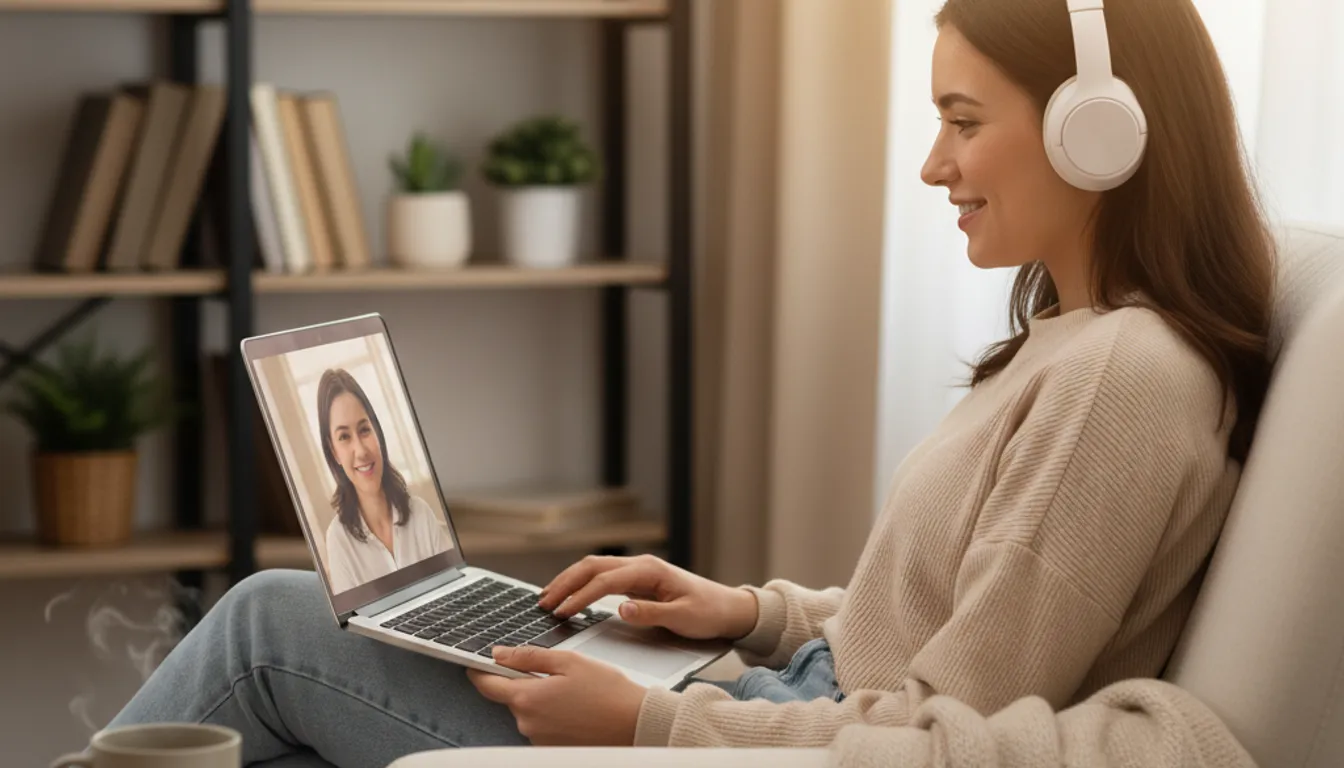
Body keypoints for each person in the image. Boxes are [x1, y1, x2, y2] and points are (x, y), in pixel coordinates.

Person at [108, 0, 1275, 766]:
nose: (935, 165)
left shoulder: (1125, 378)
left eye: (964, 122)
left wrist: (653, 720)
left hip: (758, 736)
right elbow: (930, 629)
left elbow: (939, 728)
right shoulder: (1077, 340)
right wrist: (748, 614)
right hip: (773, 696)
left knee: (269, 626)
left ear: (1102, 134)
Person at [317, 367, 452, 594]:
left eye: (364, 430)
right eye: (344, 437)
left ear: (377, 431)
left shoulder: (420, 513)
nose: (360, 450)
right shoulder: (339, 539)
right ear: (334, 451)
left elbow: (454, 590)